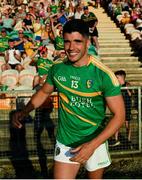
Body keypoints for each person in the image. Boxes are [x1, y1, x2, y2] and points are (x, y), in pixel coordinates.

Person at [12, 19, 125, 179]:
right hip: (66, 141)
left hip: (95, 141)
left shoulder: (104, 75)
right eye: (67, 42)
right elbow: (44, 93)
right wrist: (24, 112)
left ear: (87, 42)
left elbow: (119, 117)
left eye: (77, 41)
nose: (71, 48)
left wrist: (91, 146)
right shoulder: (57, 69)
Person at [110, 70, 133, 147]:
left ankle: (129, 140)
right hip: (119, 107)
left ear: (122, 77)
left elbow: (131, 94)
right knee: (117, 123)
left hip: (127, 107)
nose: (116, 79)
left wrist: (127, 89)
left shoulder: (127, 84)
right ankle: (116, 139)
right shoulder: (117, 86)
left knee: (127, 124)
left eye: (117, 78)